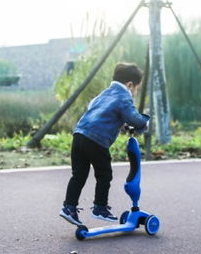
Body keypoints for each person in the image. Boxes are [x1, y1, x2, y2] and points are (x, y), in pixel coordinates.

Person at [60, 63, 150, 226]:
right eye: (136, 88)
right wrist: (144, 123)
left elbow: (98, 111)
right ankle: (100, 207)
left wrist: (119, 123)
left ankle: (69, 207)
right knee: (104, 174)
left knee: (78, 174)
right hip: (96, 140)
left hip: (79, 135)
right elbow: (133, 118)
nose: (135, 92)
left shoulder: (103, 94)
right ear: (130, 85)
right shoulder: (124, 96)